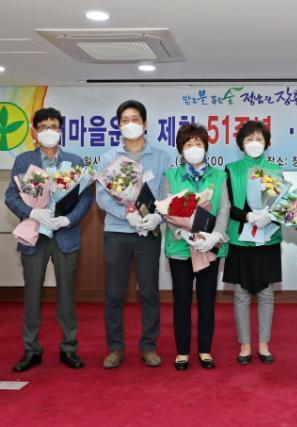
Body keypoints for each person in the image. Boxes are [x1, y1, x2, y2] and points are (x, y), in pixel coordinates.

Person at [5, 107, 92, 372]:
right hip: (35, 234)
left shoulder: (75, 161)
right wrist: (32, 212)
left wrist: (69, 219)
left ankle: (69, 348)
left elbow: (86, 197)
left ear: (61, 130)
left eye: (53, 126)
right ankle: (31, 349)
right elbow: (11, 196)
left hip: (65, 235)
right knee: (32, 294)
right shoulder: (24, 161)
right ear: (35, 132)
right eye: (43, 127)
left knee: (66, 294)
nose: (49, 131)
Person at [95, 100, 170, 369]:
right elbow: (102, 196)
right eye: (125, 120)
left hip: (148, 232)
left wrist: (157, 216)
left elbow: (167, 196)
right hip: (117, 231)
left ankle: (148, 346)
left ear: (145, 123)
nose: (130, 124)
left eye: (135, 119)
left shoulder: (162, 157)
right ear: (118, 125)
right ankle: (115, 347)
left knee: (149, 291)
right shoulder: (109, 157)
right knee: (114, 293)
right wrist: (124, 214)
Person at [163, 124, 229, 370]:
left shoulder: (219, 176)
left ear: (206, 147)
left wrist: (216, 236)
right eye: (188, 144)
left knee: (207, 301)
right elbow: (167, 210)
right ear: (181, 150)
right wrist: (181, 232)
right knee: (181, 301)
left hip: (209, 248)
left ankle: (204, 350)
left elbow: (224, 208)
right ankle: (182, 352)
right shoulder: (171, 176)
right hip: (180, 249)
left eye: (198, 144)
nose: (194, 148)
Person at [223, 120, 281, 365]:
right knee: (241, 294)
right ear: (241, 144)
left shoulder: (275, 171)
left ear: (267, 143)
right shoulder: (231, 169)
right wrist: (247, 216)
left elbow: (284, 204)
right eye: (249, 139)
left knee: (267, 293)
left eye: (259, 139)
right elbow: (225, 206)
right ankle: (245, 344)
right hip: (240, 238)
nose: (254, 143)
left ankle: (264, 344)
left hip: (267, 238)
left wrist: (271, 215)